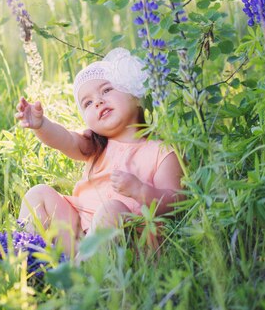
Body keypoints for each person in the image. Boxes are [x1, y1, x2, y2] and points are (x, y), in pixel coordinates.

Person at [15, 48, 183, 257]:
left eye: (106, 90)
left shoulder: (161, 151)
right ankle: (26, 260)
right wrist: (41, 125)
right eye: (87, 103)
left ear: (135, 95)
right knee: (38, 194)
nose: (97, 101)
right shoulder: (95, 145)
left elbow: (175, 201)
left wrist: (140, 190)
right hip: (79, 236)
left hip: (129, 238)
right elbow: (64, 139)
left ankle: (81, 275)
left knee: (111, 209)